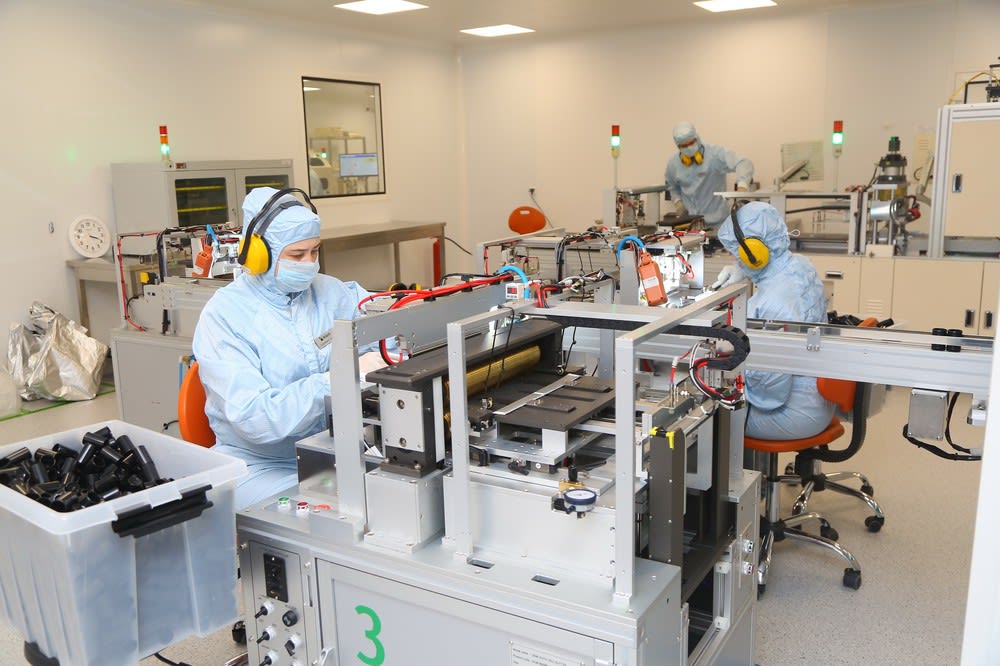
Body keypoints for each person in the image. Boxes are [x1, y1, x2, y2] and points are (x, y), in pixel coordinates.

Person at [192, 186, 374, 508]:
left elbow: (382, 327)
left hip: (333, 449)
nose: (310, 263)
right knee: (350, 508)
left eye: (315, 251)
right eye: (297, 255)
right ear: (260, 255)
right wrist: (337, 381)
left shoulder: (330, 292)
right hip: (259, 465)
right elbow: (256, 419)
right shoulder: (225, 316)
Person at [714, 201, 834, 440]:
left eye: (736, 252)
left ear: (754, 253)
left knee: (708, 417)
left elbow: (771, 394)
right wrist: (743, 272)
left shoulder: (774, 301)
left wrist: (730, 362)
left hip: (794, 413)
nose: (734, 257)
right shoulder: (799, 264)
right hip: (820, 400)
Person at [664, 121, 754, 229]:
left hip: (719, 224)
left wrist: (742, 186)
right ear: (678, 146)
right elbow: (672, 186)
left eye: (691, 143)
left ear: (697, 138)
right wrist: (677, 201)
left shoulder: (714, 155)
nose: (688, 147)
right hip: (691, 224)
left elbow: (744, 163)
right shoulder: (673, 164)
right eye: (684, 146)